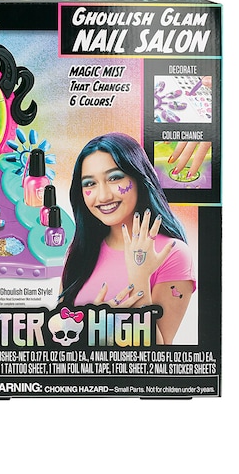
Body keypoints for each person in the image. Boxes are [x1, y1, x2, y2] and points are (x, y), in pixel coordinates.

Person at [59, 133, 195, 344]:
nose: (103, 196)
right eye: (90, 183)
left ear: (139, 178)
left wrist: (140, 278)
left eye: (114, 178)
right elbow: (54, 342)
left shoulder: (172, 253)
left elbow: (160, 357)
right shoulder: (80, 252)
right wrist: (94, 328)